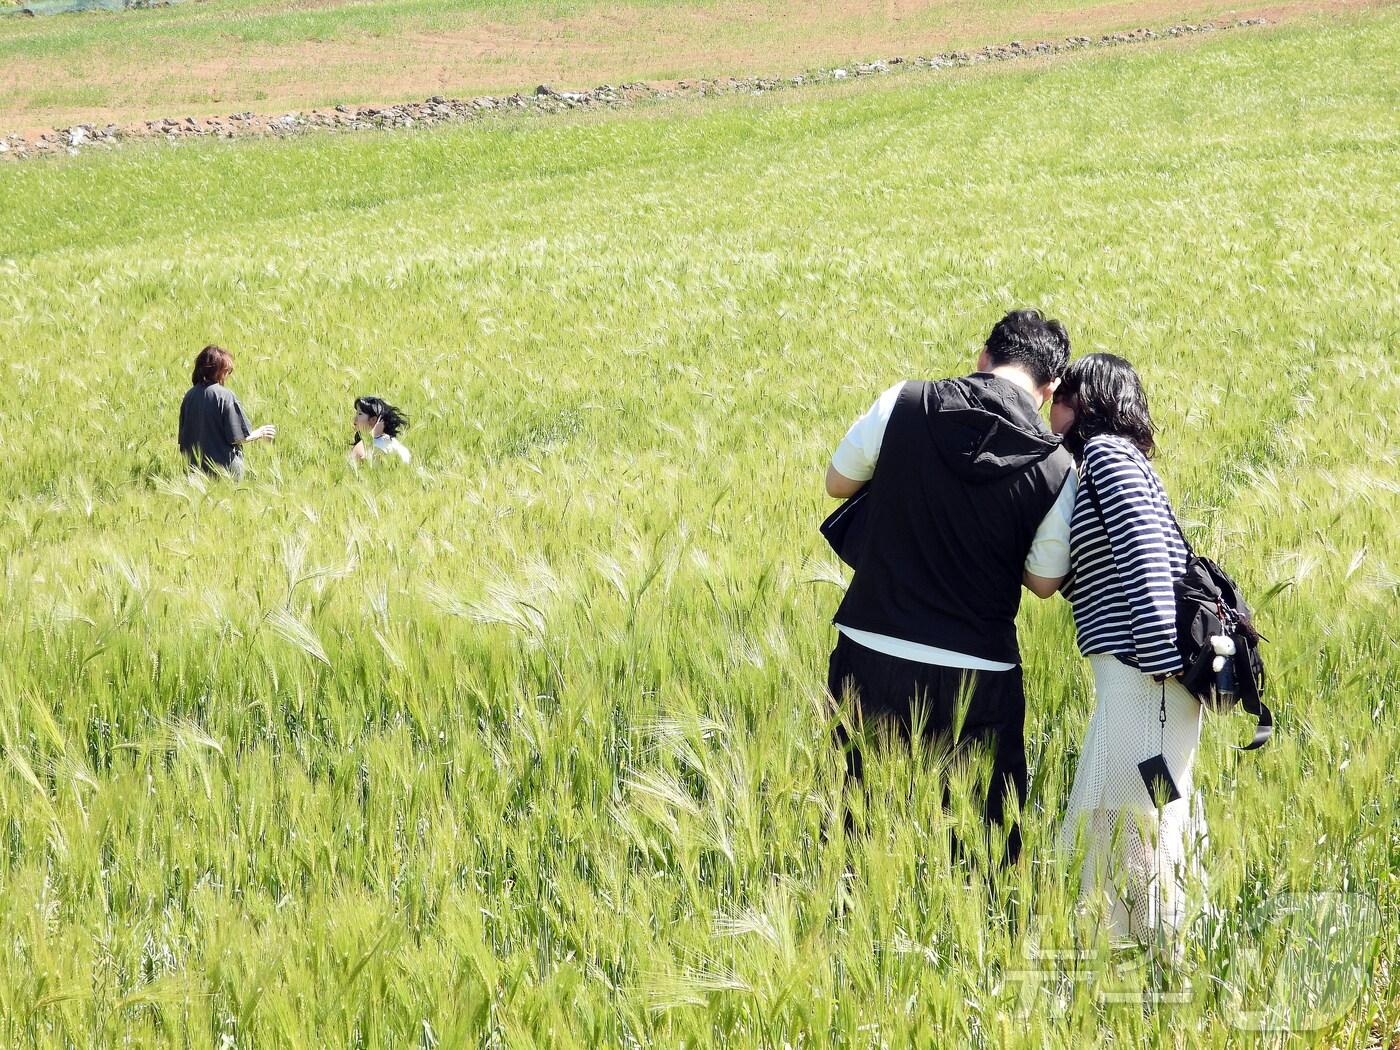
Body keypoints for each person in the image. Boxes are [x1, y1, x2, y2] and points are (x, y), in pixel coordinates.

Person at [825, 309, 1075, 863]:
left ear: (983, 358)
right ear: (1048, 387)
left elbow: (837, 481)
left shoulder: (904, 402)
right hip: (978, 674)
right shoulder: (1058, 467)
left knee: (852, 828)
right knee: (982, 850)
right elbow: (1041, 581)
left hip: (872, 647)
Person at [1050, 353, 1203, 952]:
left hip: (1144, 675)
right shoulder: (1109, 462)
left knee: (1131, 821)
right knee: (1130, 817)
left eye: (1062, 396)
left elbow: (1143, 557)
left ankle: (1154, 957)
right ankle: (1139, 953)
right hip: (1138, 676)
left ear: (1086, 402)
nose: (1050, 408)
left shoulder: (1108, 457)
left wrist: (1160, 661)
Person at [177, 345, 275, 479]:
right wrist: (261, 432)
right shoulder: (225, 396)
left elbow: (184, 440)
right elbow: (238, 437)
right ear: (217, 370)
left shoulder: (189, 396)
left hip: (194, 474)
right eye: (227, 370)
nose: (228, 374)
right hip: (224, 472)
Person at [349, 395, 411, 465]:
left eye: (359, 414)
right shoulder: (397, 445)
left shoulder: (369, 446)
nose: (355, 418)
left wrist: (371, 435)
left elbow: (355, 461)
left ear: (373, 419)